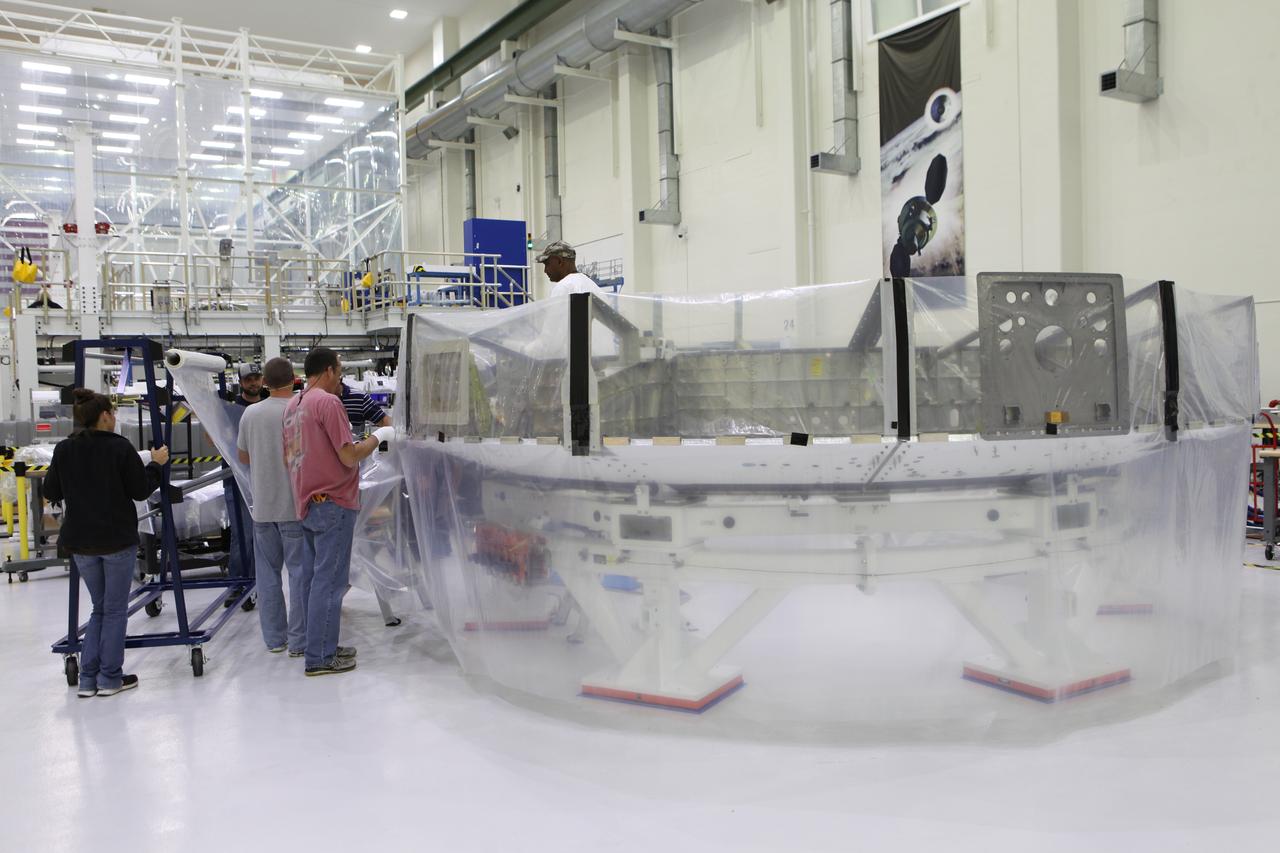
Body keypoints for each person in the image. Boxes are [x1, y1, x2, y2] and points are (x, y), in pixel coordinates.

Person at [43, 389, 169, 698]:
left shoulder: (64, 449)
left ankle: (88, 679)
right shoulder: (119, 448)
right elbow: (140, 491)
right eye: (112, 413)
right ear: (104, 417)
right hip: (115, 540)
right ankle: (110, 677)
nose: (114, 418)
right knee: (114, 611)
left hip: (80, 543)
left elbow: (50, 489)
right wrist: (155, 464)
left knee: (100, 608)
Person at [283, 346, 393, 676]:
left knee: (316, 580)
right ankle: (319, 657)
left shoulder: (293, 405)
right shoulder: (328, 402)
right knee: (330, 583)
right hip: (333, 503)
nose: (340, 377)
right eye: (340, 370)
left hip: (307, 501)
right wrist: (379, 436)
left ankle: (320, 645)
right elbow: (348, 455)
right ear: (329, 370)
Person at [236, 357, 305, 655]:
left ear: (263, 382)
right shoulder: (299, 410)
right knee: (301, 575)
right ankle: (300, 640)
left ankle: (275, 639)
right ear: (294, 379)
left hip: (262, 507)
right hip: (295, 507)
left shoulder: (250, 414)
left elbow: (243, 457)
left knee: (267, 576)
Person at [536, 241, 602, 298]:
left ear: (559, 261)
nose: (545, 270)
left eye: (547, 264)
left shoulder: (564, 287)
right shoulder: (593, 286)